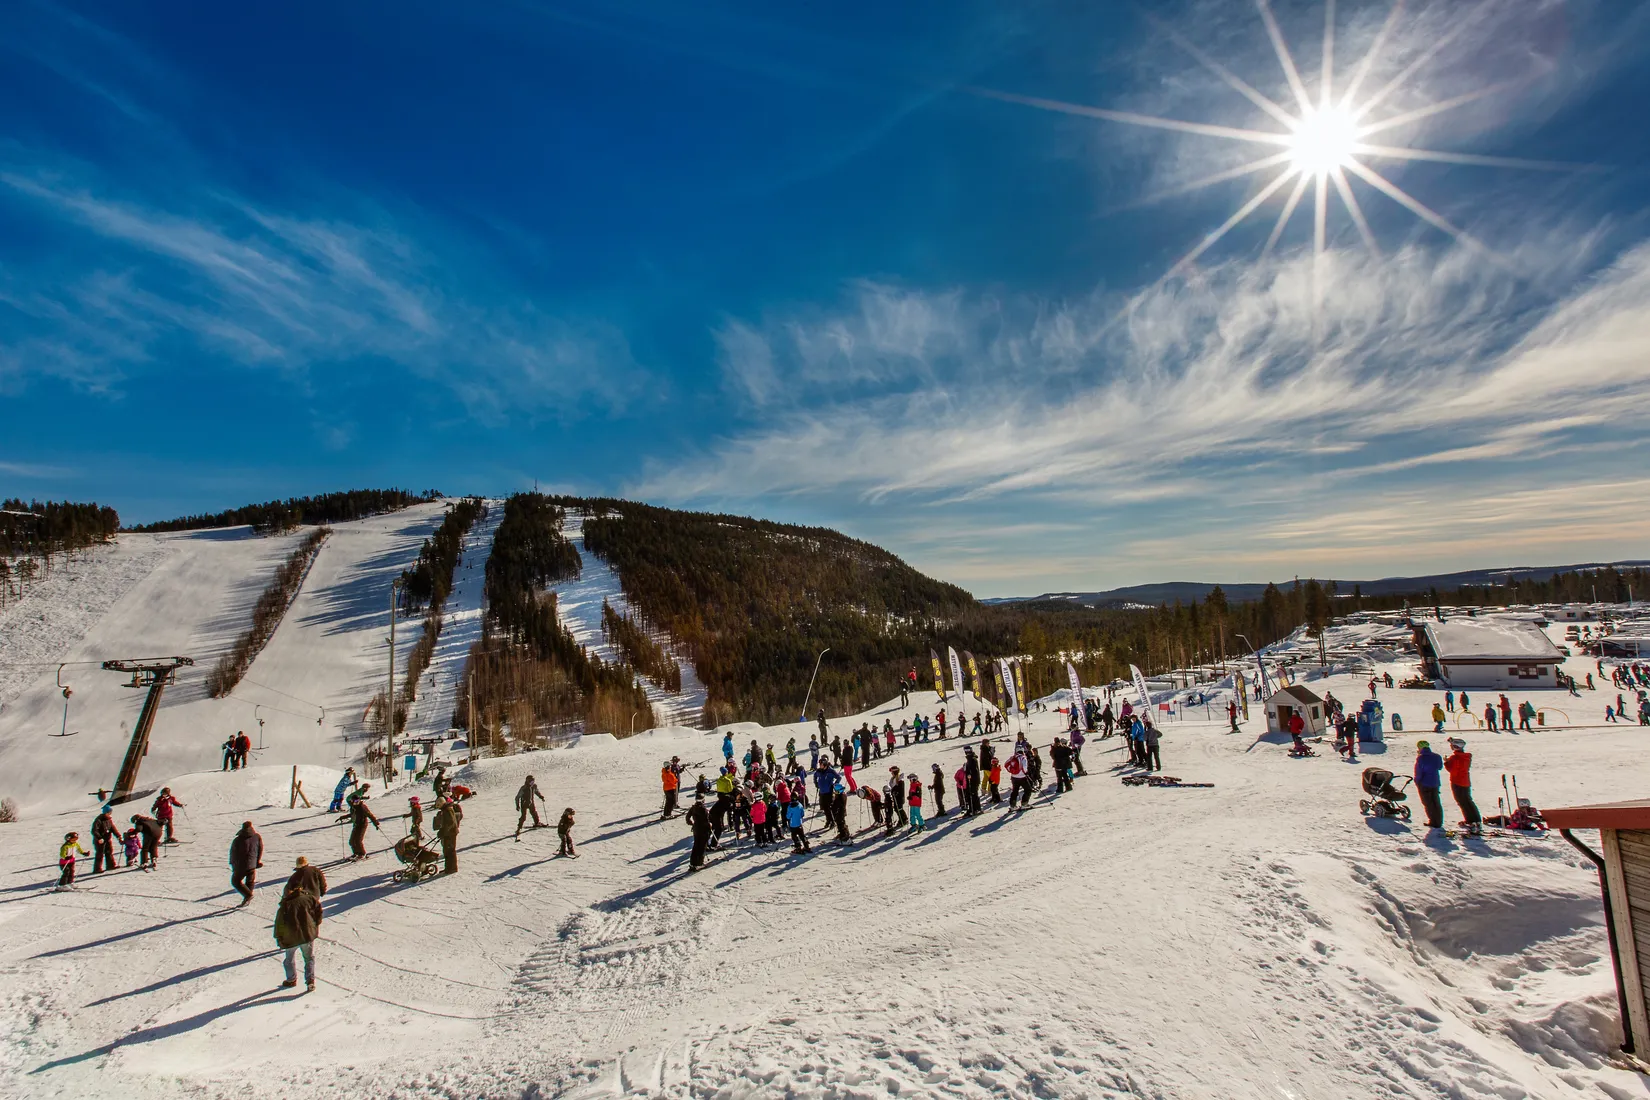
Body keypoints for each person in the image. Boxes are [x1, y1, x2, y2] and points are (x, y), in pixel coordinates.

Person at [274, 881, 322, 992]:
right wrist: (315, 925)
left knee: (289, 959)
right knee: (309, 958)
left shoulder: (286, 904)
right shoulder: (309, 899)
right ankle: (310, 981)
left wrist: (279, 937)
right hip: (307, 935)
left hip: (291, 937)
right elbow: (318, 911)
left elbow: (279, 923)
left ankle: (291, 979)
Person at [1444, 738, 1482, 836]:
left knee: (1462, 802)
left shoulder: (1455, 758)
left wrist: (1446, 762)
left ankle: (1471, 821)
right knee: (1468, 801)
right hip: (1465, 781)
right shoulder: (1466, 757)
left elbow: (1452, 770)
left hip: (1457, 782)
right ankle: (1476, 820)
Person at [229, 821, 263, 907]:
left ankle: (248, 896)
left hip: (241, 866)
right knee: (250, 882)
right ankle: (247, 899)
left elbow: (233, 854)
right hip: (252, 864)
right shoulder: (257, 837)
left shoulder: (238, 840)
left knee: (235, 881)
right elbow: (260, 849)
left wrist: (233, 864)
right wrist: (257, 861)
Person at [1413, 740, 1445, 829]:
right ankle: (1439, 821)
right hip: (1435, 782)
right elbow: (1440, 767)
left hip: (1424, 783)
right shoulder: (1437, 756)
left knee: (1428, 803)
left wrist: (1417, 781)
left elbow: (1419, 773)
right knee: (1436, 802)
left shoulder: (1421, 758)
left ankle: (1433, 821)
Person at [348, 790, 381, 860]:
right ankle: (356, 853)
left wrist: (376, 823)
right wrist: (342, 817)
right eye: (354, 801)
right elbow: (352, 814)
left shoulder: (362, 807)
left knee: (358, 840)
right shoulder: (353, 807)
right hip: (356, 824)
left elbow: (370, 815)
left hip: (362, 825)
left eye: (357, 801)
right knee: (352, 841)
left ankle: (362, 854)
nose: (356, 802)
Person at [433, 796, 462, 874]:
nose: (438, 807)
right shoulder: (445, 809)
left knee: (450, 851)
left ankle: (452, 868)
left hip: (450, 834)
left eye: (438, 805)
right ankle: (448, 868)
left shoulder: (448, 810)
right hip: (448, 833)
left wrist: (443, 831)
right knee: (447, 851)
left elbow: (450, 822)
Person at [90, 806, 120, 875]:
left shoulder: (109, 819)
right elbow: (94, 830)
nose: (110, 813)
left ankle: (110, 865)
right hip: (100, 840)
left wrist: (118, 836)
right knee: (100, 854)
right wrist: (99, 838)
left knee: (109, 852)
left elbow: (113, 828)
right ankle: (97, 869)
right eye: (109, 812)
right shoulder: (99, 820)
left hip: (107, 839)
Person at [515, 774, 546, 839]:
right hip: (524, 803)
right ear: (527, 781)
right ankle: (519, 828)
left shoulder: (534, 786)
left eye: (533, 781)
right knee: (523, 816)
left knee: (534, 813)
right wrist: (517, 805)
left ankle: (537, 823)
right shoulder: (523, 788)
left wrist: (541, 796)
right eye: (531, 782)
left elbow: (536, 792)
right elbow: (517, 797)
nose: (532, 783)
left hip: (531, 803)